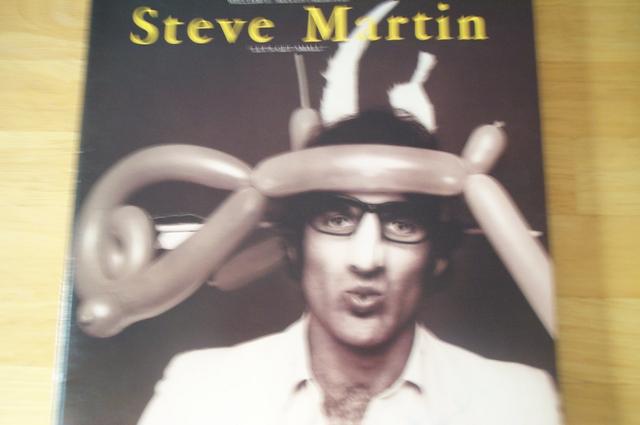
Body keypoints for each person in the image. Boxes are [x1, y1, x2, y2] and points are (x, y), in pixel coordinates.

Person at [138, 110, 561, 425]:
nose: (366, 260)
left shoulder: (520, 402)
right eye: (337, 219)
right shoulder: (199, 388)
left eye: (402, 224)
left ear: (437, 257)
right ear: (295, 246)